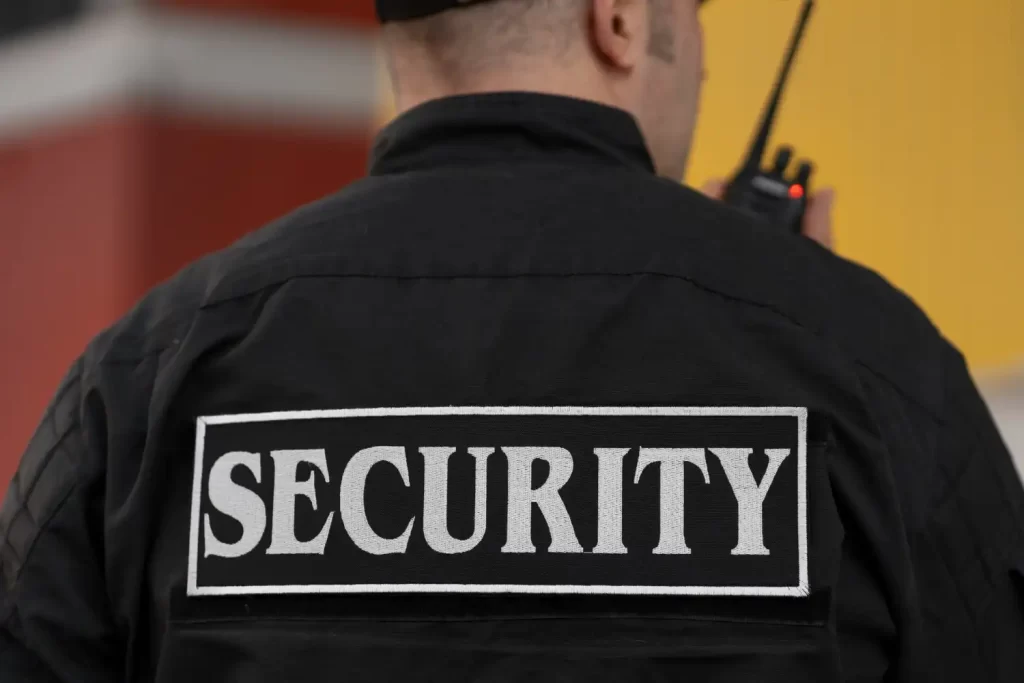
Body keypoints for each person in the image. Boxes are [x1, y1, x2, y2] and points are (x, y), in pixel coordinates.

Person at [2, 0, 1022, 680]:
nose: (703, 64)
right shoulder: (870, 366)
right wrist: (801, 319)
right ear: (618, 18)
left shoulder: (146, 375)